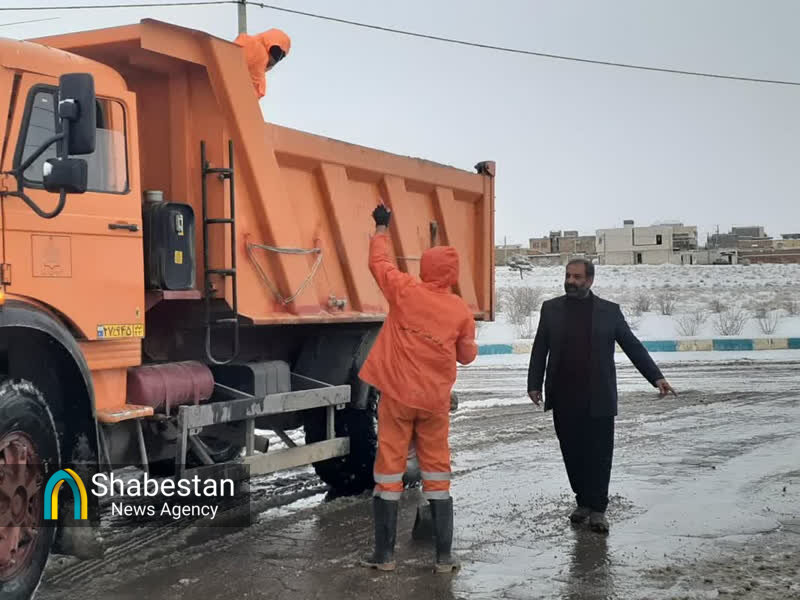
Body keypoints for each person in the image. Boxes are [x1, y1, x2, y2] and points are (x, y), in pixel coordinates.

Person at [359, 204, 478, 573]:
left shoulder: (406, 291)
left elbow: (379, 264)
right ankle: (444, 558)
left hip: (396, 398)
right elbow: (468, 356)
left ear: (424, 268)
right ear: (452, 274)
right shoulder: (460, 310)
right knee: (437, 473)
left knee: (389, 472)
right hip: (434, 404)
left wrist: (381, 227)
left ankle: (385, 556)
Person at [527, 258, 677, 534]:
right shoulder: (551, 309)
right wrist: (534, 384)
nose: (571, 281)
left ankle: (598, 509)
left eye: (577, 277)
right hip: (563, 395)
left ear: (590, 280)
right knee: (572, 453)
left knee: (599, 453)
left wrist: (656, 377)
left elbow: (632, 346)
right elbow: (540, 349)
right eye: (568, 276)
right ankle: (582, 502)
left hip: (598, 396)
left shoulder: (609, 312)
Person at [234, 29, 291, 99]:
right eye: (275, 52)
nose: (274, 59)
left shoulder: (246, 40)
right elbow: (252, 93)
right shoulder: (260, 53)